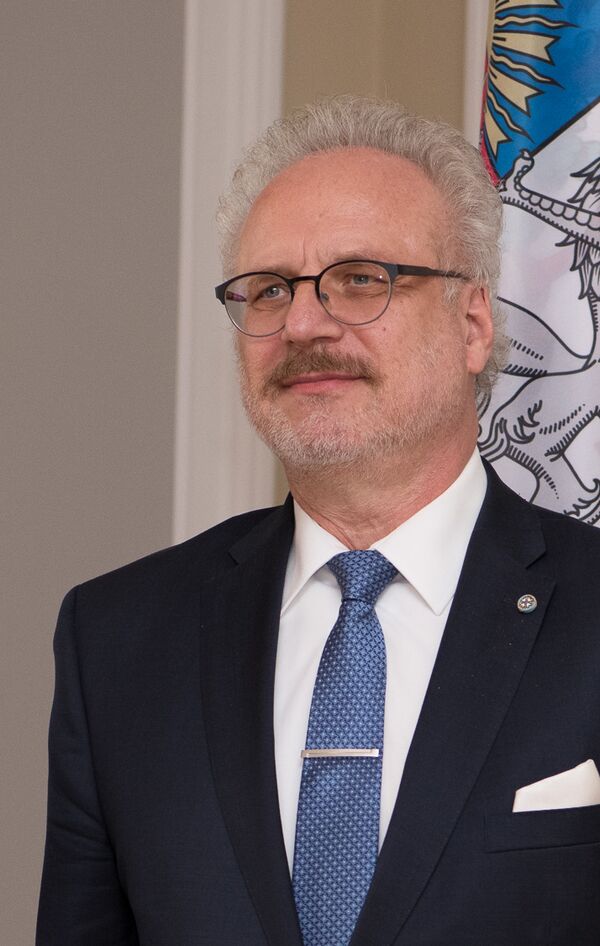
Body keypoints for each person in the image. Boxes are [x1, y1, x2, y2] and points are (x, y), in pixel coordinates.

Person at [37, 97, 600, 946]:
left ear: (474, 325)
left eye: (361, 279)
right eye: (268, 291)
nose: (302, 323)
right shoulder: (116, 640)